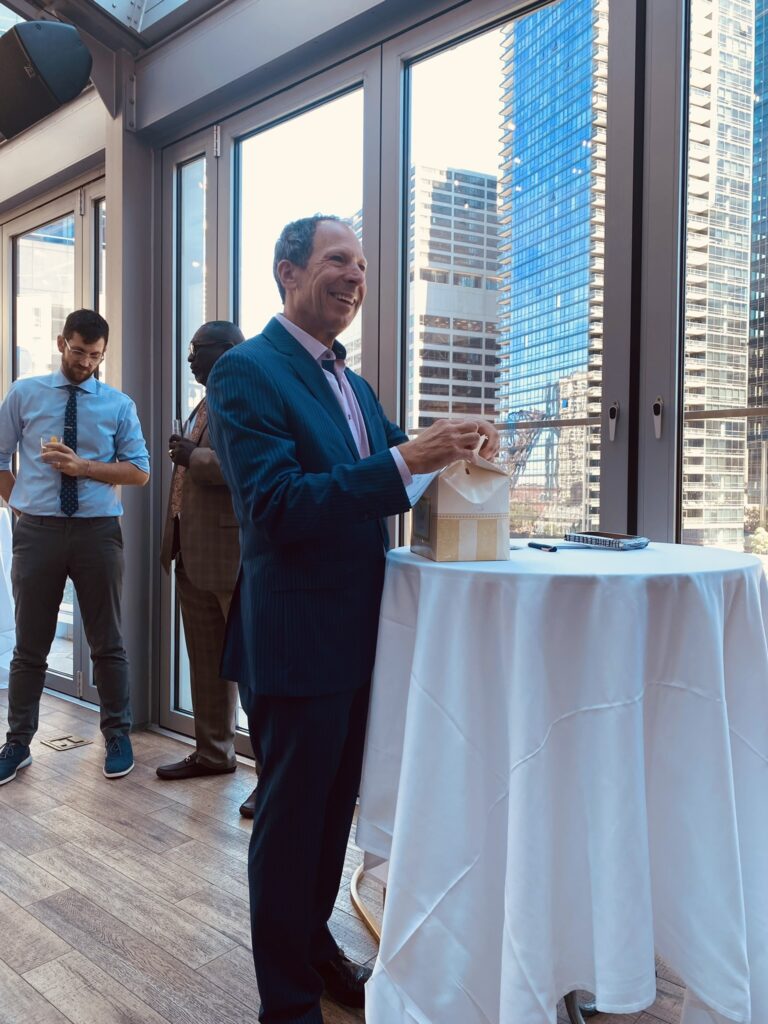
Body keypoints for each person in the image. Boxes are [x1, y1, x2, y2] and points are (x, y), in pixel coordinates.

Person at [206, 214, 499, 1024]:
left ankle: (315, 949)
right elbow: (276, 505)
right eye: (339, 260)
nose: (356, 278)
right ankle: (288, 1004)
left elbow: (396, 470)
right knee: (292, 827)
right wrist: (410, 458)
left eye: (364, 267)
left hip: (364, 638)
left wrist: (457, 453)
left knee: (332, 820)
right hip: (296, 643)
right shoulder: (245, 372)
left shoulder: (355, 384)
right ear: (286, 272)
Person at [0, 308, 150, 786]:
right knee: (29, 647)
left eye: (96, 356)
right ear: (62, 343)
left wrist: (83, 468)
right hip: (37, 531)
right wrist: (21, 506)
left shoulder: (118, 405)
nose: (87, 363)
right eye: (80, 352)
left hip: (97, 531)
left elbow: (140, 471)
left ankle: (117, 736)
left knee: (109, 642)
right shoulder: (24, 394)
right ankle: (18, 743)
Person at [156, 320, 258, 818]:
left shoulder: (245, 397)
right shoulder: (205, 401)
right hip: (191, 551)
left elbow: (244, 468)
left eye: (200, 349)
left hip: (231, 556)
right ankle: (214, 752)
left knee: (253, 673)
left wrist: (194, 455)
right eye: (191, 349)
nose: (191, 357)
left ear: (230, 351)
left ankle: (271, 775)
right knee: (205, 663)